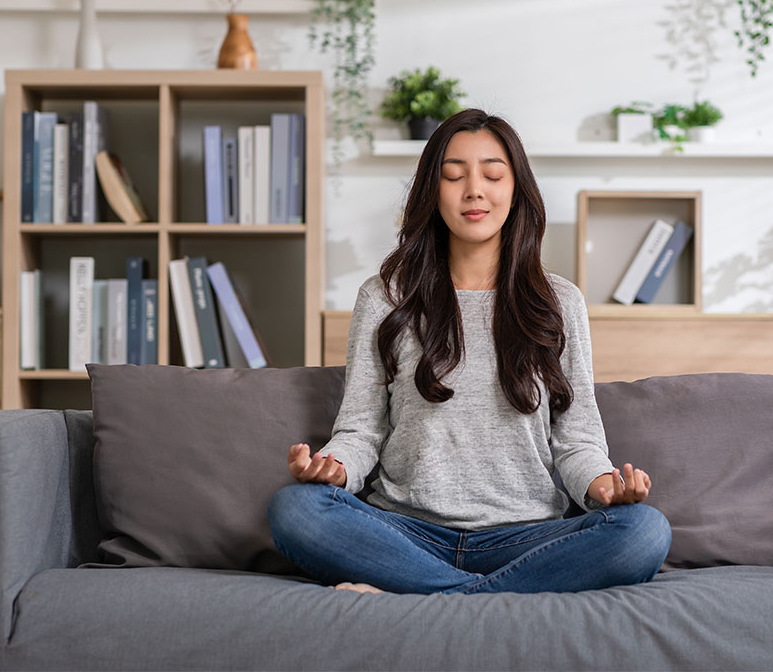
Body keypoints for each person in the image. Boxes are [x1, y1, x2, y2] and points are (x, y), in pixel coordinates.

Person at [267, 108, 671, 595]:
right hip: (406, 531)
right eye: (453, 175)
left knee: (645, 531)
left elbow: (577, 439)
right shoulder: (385, 297)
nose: (474, 190)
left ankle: (430, 594)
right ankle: (487, 597)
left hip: (529, 535)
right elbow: (361, 429)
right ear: (431, 192)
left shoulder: (559, 302)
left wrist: (602, 485)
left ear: (515, 190)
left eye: (493, 175)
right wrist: (333, 467)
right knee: (296, 509)